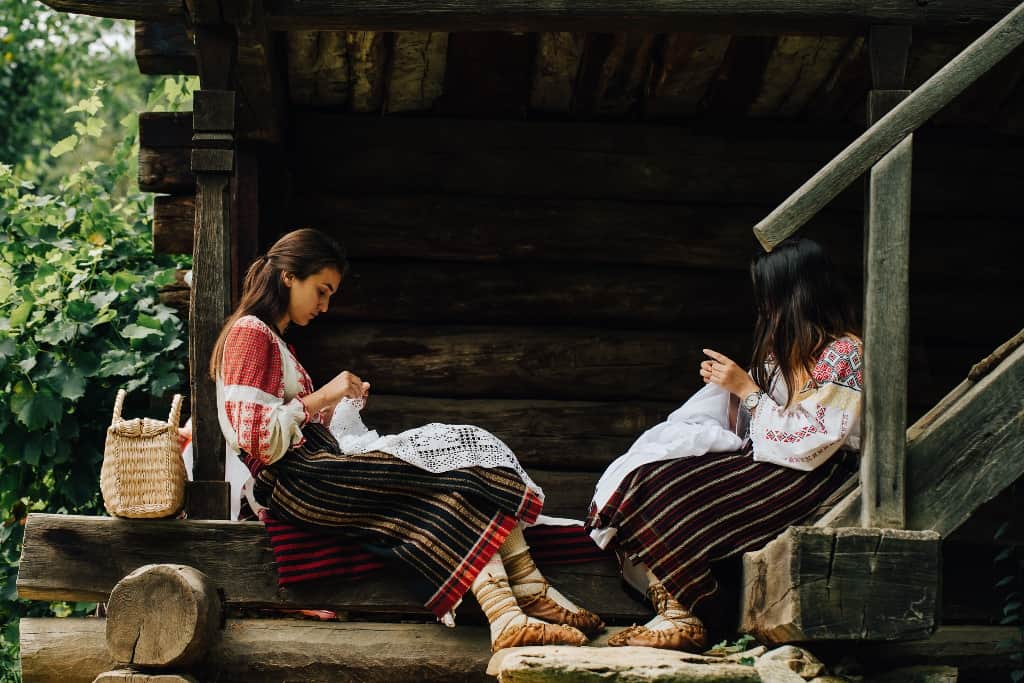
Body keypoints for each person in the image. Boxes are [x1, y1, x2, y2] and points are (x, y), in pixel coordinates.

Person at [211, 228, 602, 652]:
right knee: (449, 473)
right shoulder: (250, 333)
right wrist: (326, 393)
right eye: (321, 291)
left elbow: (287, 419)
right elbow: (257, 439)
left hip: (310, 470)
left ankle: (510, 613)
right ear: (289, 276)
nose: (324, 306)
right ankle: (523, 598)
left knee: (458, 475)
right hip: (298, 479)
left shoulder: (273, 341)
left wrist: (338, 405)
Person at [586, 237, 863, 651]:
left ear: (798, 294)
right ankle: (676, 609)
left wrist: (745, 388)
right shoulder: (779, 357)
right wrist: (731, 391)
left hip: (818, 474)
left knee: (681, 494)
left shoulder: (845, 353)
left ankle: (695, 615)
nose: (765, 309)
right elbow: (759, 427)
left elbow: (815, 440)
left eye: (771, 298)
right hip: (775, 462)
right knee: (652, 480)